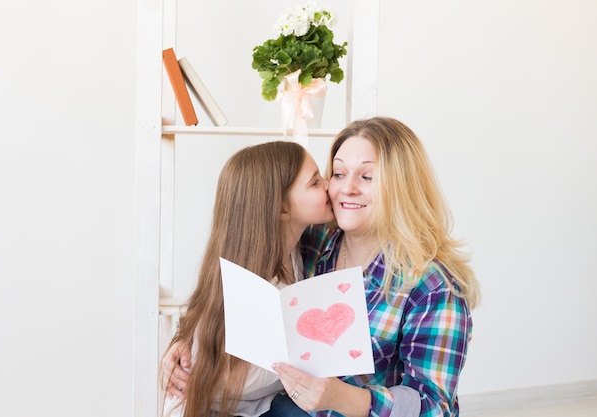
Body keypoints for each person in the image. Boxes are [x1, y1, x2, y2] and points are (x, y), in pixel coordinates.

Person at [164, 117, 480, 417]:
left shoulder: (433, 288)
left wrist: (344, 398)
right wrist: (188, 343)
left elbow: (434, 407)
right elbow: (235, 272)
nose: (346, 188)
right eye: (339, 174)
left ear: (402, 187)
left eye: (367, 177)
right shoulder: (311, 239)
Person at [160, 141, 334, 417]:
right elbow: (226, 380)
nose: (329, 185)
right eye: (315, 182)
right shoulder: (250, 287)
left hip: (258, 405)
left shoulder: (297, 251)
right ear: (281, 209)